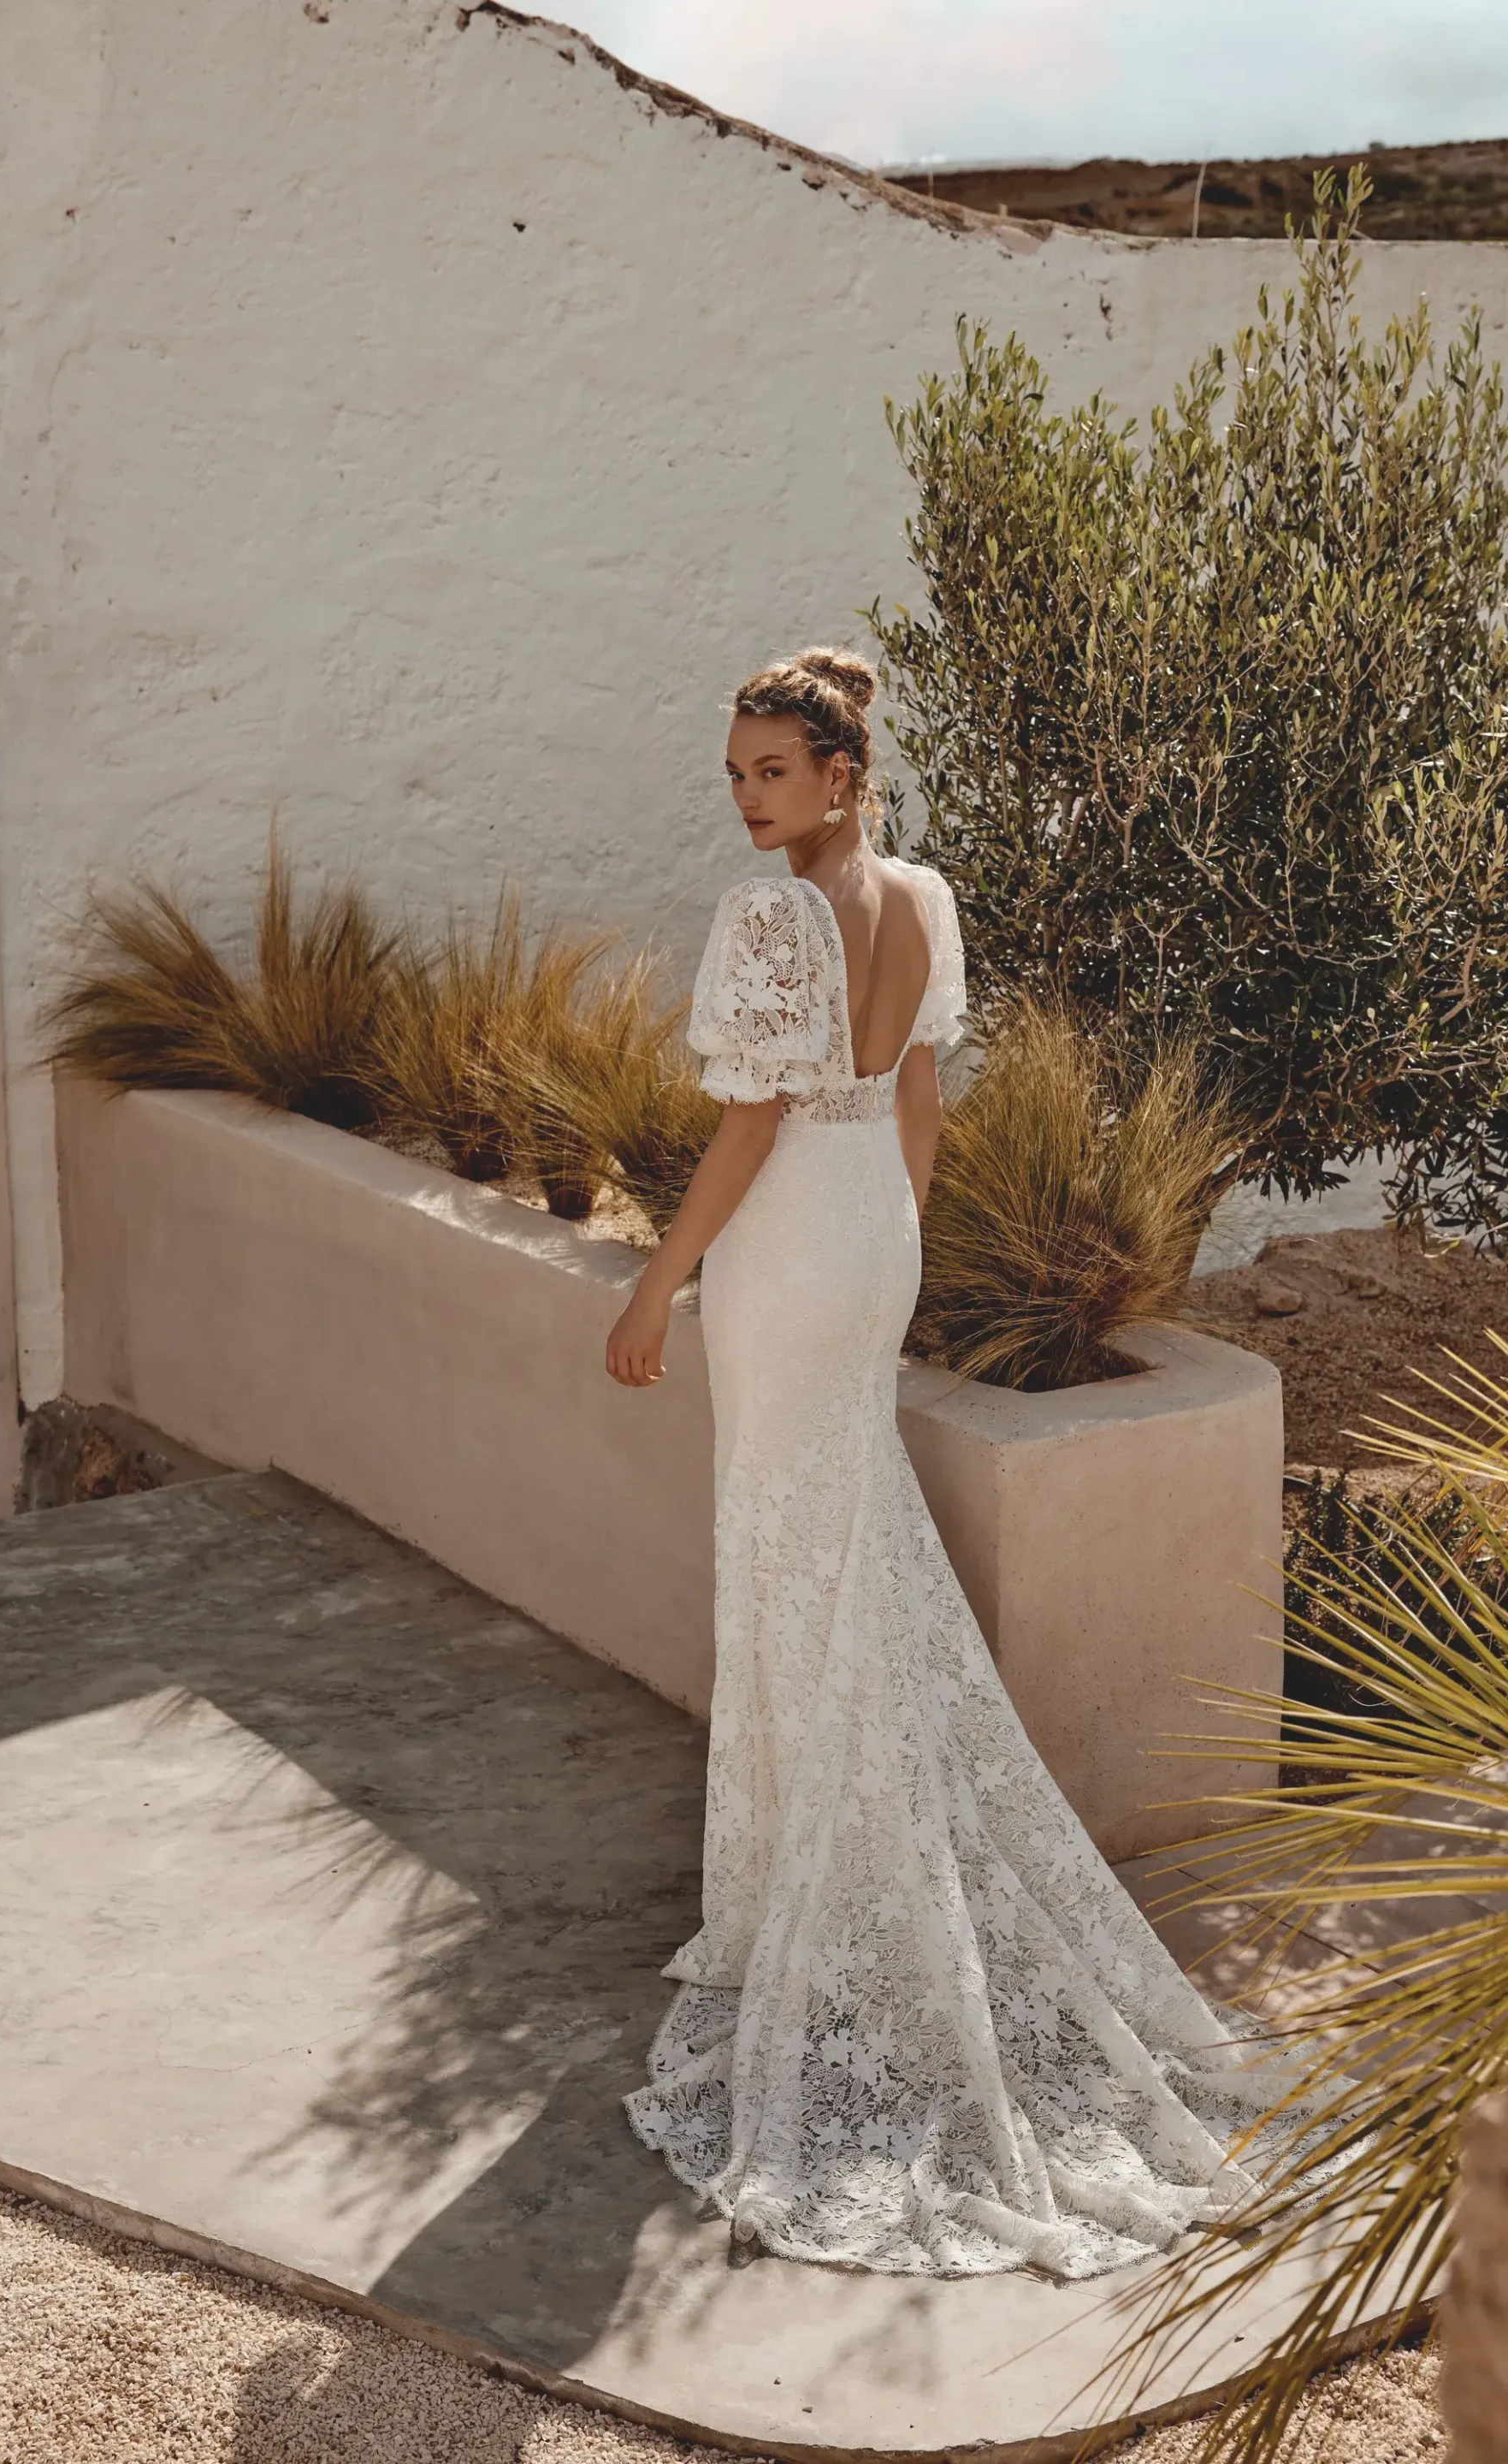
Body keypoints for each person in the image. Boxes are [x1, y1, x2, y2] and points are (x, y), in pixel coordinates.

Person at [605, 648, 1277, 2282]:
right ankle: (828, 1869)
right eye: (737, 775)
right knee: (840, 1531)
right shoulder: (925, 895)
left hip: (783, 1246)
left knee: (789, 1534)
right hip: (870, 1237)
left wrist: (656, 1281)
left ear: (840, 772)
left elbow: (750, 1124)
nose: (750, 798)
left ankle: (812, 1897)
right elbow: (913, 1100)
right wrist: (892, 1254)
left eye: (772, 770)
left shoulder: (771, 922)